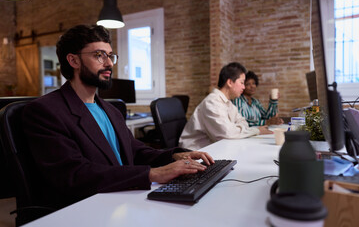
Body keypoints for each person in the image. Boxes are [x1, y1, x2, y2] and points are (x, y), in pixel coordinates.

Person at [22, 25, 214, 210]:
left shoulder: (110, 109)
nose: (109, 63)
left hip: (123, 198)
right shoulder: (45, 111)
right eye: (99, 55)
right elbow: (74, 174)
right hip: (87, 208)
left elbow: (134, 151)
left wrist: (173, 155)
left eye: (110, 56)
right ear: (74, 61)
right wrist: (152, 174)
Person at [179, 62, 272, 150]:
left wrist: (235, 129)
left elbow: (243, 122)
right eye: (242, 82)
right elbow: (227, 134)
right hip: (194, 153)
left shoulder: (228, 103)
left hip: (215, 148)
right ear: (230, 82)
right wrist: (256, 131)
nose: (243, 87)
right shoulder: (212, 102)